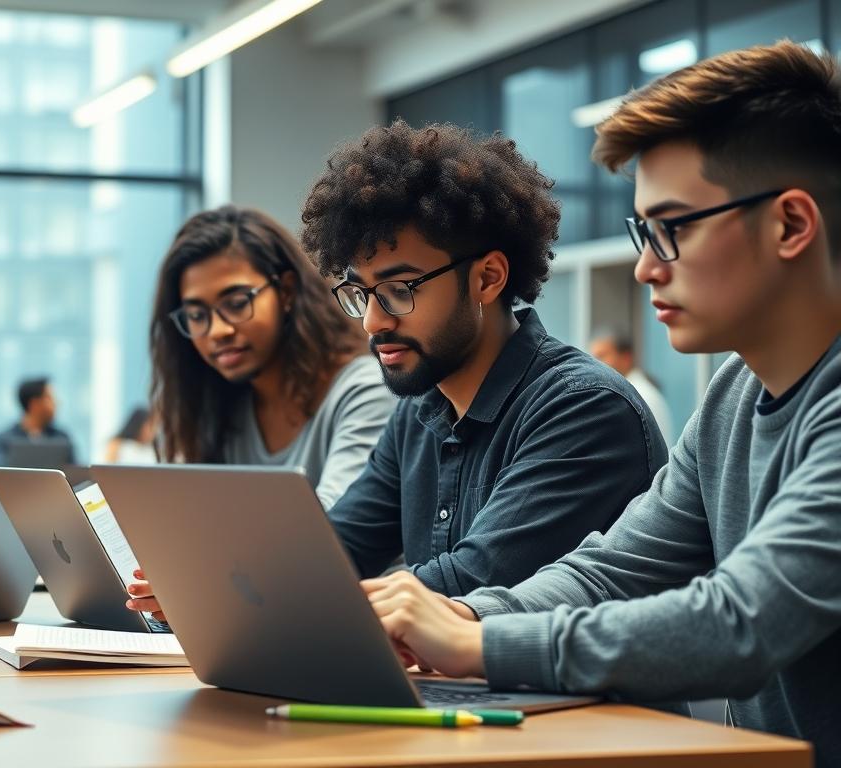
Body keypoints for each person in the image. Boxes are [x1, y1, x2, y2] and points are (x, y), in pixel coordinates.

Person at [363, 42, 841, 766]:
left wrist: (476, 643)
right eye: (643, 232)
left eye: (672, 229)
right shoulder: (732, 399)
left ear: (791, 225)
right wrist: (459, 612)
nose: (648, 266)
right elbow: (610, 568)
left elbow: (741, 623)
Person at [127, 125, 667, 622]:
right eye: (361, 293)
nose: (373, 320)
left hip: (587, 725)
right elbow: (335, 548)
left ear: (488, 278)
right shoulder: (419, 411)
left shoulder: (584, 409)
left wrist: (250, 596)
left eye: (400, 290)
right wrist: (211, 586)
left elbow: (464, 583)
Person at [147, 205, 393, 509]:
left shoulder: (365, 390)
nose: (217, 331)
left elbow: (334, 531)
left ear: (286, 292)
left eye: (236, 303)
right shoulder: (220, 410)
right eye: (197, 315)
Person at [589, 328, 673, 444]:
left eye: (601, 356)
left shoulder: (637, 395)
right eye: (592, 357)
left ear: (626, 358)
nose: (594, 363)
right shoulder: (632, 390)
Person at [0, 377, 76, 466]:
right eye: (50, 398)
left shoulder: (62, 437)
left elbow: (75, 475)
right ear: (34, 403)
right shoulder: (4, 440)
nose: (56, 403)